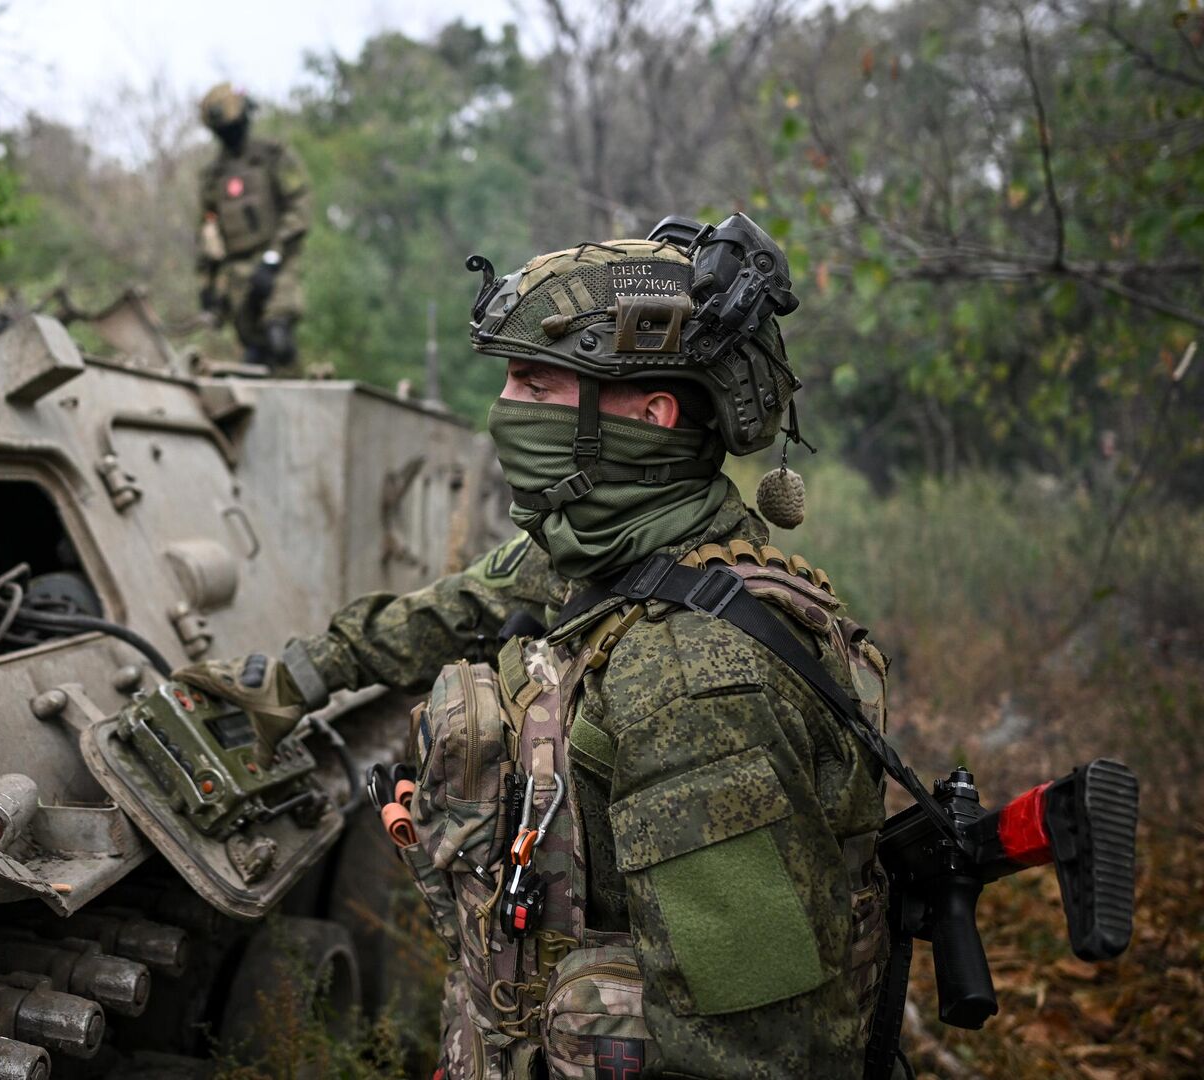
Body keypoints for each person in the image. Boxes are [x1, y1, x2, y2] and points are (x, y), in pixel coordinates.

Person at [177, 216, 894, 1078]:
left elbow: (752, 1051)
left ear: (649, 414)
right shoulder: (607, 548)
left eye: (535, 383)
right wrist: (292, 678)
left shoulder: (696, 689)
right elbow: (453, 607)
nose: (503, 411)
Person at [194, 82, 311, 368]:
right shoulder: (213, 176)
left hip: (278, 260)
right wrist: (208, 287)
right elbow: (208, 229)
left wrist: (272, 258)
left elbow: (300, 205)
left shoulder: (272, 156)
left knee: (278, 335)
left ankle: (298, 392)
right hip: (236, 272)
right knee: (253, 352)